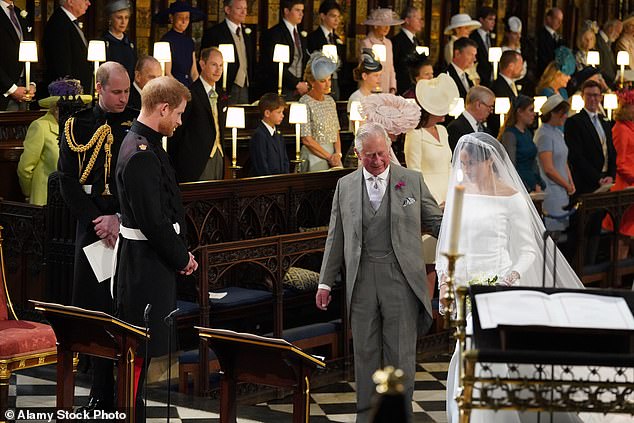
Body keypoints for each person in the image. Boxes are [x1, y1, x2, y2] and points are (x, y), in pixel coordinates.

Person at [436, 131, 584, 423]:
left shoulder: (511, 198)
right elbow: (448, 246)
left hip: (498, 288)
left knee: (486, 357)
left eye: (470, 164)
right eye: (462, 163)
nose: (464, 170)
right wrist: (443, 283)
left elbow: (528, 249)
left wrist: (509, 278)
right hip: (464, 287)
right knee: (466, 354)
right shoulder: (460, 194)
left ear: (489, 161)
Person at [316, 121, 443, 423]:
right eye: (370, 155)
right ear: (358, 155)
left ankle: (400, 415)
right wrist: (325, 282)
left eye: (382, 153)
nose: (377, 161)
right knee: (365, 353)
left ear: (389, 149)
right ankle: (366, 416)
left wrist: (462, 239)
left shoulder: (410, 180)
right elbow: (336, 237)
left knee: (400, 353)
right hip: (360, 280)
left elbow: (437, 221)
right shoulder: (344, 186)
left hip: (400, 278)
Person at [114, 75, 197, 421]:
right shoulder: (141, 153)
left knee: (154, 351)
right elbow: (152, 221)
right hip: (146, 265)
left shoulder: (146, 143)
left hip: (153, 261)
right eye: (177, 113)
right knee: (143, 352)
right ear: (162, 108)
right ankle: (129, 414)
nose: (178, 121)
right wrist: (181, 258)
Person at [57, 61, 137, 413]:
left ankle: (127, 391)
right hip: (92, 231)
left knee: (123, 309)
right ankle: (98, 387)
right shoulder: (77, 124)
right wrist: (96, 220)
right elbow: (66, 181)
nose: (123, 98)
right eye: (116, 92)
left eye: (127, 91)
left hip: (127, 229)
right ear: (99, 87)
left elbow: (139, 183)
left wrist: (118, 218)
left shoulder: (136, 124)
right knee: (93, 310)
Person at [404, 73, 458, 296]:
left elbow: (451, 166)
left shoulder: (444, 131)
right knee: (428, 261)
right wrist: (432, 204)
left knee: (448, 259)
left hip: (449, 199)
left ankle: (446, 316)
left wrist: (454, 197)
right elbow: (413, 173)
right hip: (430, 202)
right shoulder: (414, 134)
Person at [565, 80, 616, 264]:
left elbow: (611, 151)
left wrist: (611, 175)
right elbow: (576, 157)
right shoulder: (574, 122)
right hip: (586, 184)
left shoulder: (605, 121)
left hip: (604, 183)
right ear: (583, 97)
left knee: (596, 228)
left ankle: (591, 266)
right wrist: (597, 178)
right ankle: (578, 269)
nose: (593, 99)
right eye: (589, 95)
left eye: (596, 95)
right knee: (581, 230)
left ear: (600, 97)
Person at [17, 79, 90, 205]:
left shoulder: (79, 127)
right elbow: (25, 168)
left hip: (74, 201)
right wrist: (29, 193)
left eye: (76, 107)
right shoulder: (40, 126)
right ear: (54, 107)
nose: (71, 112)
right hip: (45, 200)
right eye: (65, 108)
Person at [169, 47, 226, 182]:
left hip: (218, 156)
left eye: (221, 65)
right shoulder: (190, 93)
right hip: (196, 160)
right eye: (214, 65)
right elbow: (178, 132)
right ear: (202, 64)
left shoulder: (222, 94)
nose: (218, 70)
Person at [200, 0, 256, 104]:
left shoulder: (247, 33)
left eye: (245, 9)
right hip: (224, 86)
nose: (244, 12)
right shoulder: (214, 33)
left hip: (245, 86)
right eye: (239, 8)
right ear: (227, 9)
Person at [535, 94, 574, 233]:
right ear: (553, 114)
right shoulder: (543, 135)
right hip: (552, 191)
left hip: (562, 188)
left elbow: (563, 160)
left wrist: (570, 182)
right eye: (563, 113)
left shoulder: (557, 133)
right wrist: (566, 184)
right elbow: (548, 168)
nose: (565, 117)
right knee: (553, 235)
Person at [299, 52, 341, 172]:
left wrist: (338, 154)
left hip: (333, 156)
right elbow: (307, 139)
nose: (328, 84)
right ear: (312, 82)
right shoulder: (304, 102)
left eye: (330, 79)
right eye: (323, 81)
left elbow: (336, 132)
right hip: (314, 156)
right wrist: (329, 157)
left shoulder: (330, 101)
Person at [605, 89, 634, 258]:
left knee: (628, 234)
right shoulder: (621, 129)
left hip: (631, 184)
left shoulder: (630, 128)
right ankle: (616, 278)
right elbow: (620, 162)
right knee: (622, 233)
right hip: (624, 185)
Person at [259, 0, 309, 101]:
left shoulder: (301, 34)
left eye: (302, 10)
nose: (301, 14)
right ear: (286, 11)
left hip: (301, 87)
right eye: (297, 10)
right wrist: (296, 83)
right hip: (281, 86)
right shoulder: (274, 34)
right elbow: (273, 64)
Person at [42, 0, 93, 94]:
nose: (88, 3)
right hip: (68, 94)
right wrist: (69, 92)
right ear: (70, 1)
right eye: (85, 0)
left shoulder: (69, 21)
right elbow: (62, 64)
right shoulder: (59, 23)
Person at [499, 95, 544, 192]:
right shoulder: (510, 134)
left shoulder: (527, 132)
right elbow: (511, 165)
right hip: (520, 185)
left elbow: (533, 162)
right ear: (519, 112)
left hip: (532, 182)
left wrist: (537, 182)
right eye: (530, 110)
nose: (534, 114)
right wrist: (525, 186)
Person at [156, 1, 204, 87]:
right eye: (180, 17)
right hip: (173, 87)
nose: (184, 21)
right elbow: (167, 72)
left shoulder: (189, 41)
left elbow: (194, 71)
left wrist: (199, 89)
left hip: (189, 86)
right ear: (171, 18)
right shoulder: (166, 41)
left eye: (187, 17)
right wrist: (180, 89)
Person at [1, 0, 35, 111]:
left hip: (24, 87)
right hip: (4, 90)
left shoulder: (19, 13)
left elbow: (30, 48)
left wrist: (31, 83)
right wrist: (12, 89)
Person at [360, 8, 403, 94]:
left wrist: (392, 87)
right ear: (375, 25)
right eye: (384, 24)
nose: (387, 28)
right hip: (370, 89)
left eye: (389, 25)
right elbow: (367, 69)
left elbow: (391, 67)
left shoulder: (388, 43)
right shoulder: (367, 43)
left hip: (386, 88)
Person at [306, 1, 344, 100]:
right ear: (323, 16)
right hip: (319, 81)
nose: (337, 20)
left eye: (338, 17)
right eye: (333, 16)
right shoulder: (313, 37)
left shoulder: (337, 39)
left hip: (335, 81)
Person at [249, 93, 289, 176]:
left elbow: (285, 160)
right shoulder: (259, 135)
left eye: (282, 112)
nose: (282, 115)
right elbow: (261, 165)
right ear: (267, 113)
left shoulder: (278, 134)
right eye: (279, 112)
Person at [447, 85, 495, 151]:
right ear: (478, 105)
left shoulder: (486, 130)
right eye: (489, 107)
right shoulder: (455, 128)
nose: (491, 111)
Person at [487, 50, 523, 136]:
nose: (522, 68)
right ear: (511, 66)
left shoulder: (511, 84)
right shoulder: (498, 87)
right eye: (520, 64)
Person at [391, 6, 423, 95]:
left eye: (421, 19)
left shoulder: (417, 41)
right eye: (417, 18)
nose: (421, 22)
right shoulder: (397, 41)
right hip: (402, 88)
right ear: (407, 20)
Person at [102, 0, 136, 82]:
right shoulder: (103, 43)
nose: (123, 22)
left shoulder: (130, 44)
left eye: (126, 17)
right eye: (119, 17)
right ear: (110, 19)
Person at [470, 6, 496, 87]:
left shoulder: (491, 38)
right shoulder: (473, 37)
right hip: (479, 78)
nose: (493, 22)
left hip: (490, 79)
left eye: (494, 20)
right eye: (490, 19)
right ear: (481, 20)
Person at [536, 7, 566, 76]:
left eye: (561, 20)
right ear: (549, 18)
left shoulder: (558, 37)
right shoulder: (541, 35)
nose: (559, 23)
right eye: (557, 19)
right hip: (545, 74)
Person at [597, 19, 622, 88]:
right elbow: (600, 66)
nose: (618, 36)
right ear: (610, 28)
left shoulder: (608, 42)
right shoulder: (597, 40)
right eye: (617, 32)